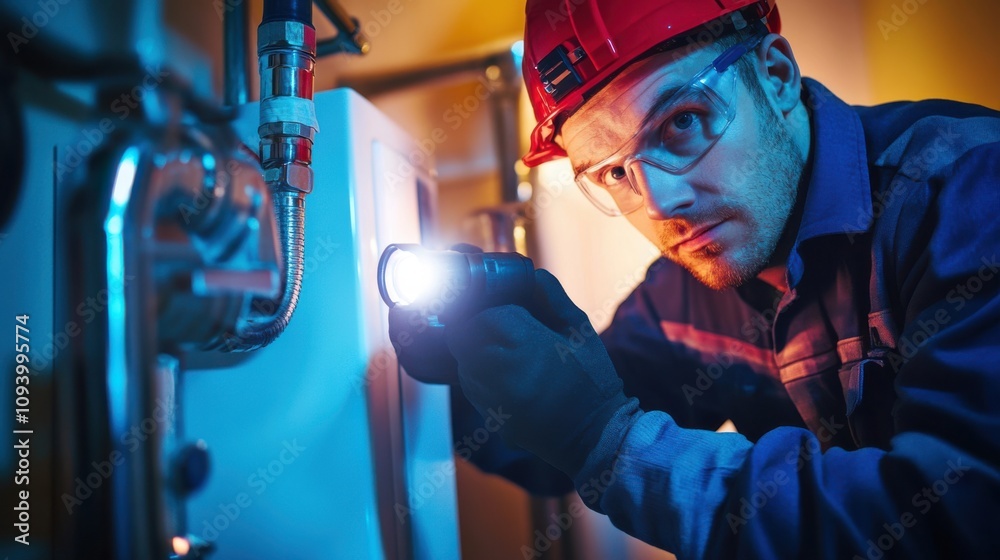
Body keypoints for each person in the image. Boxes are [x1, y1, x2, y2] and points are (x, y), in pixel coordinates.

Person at [390, 0, 1000, 557]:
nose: (658, 203)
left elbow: (954, 519)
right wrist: (471, 377)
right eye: (613, 174)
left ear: (776, 76)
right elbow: (561, 438)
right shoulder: (682, 297)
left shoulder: (967, 194)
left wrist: (610, 442)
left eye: (681, 122)